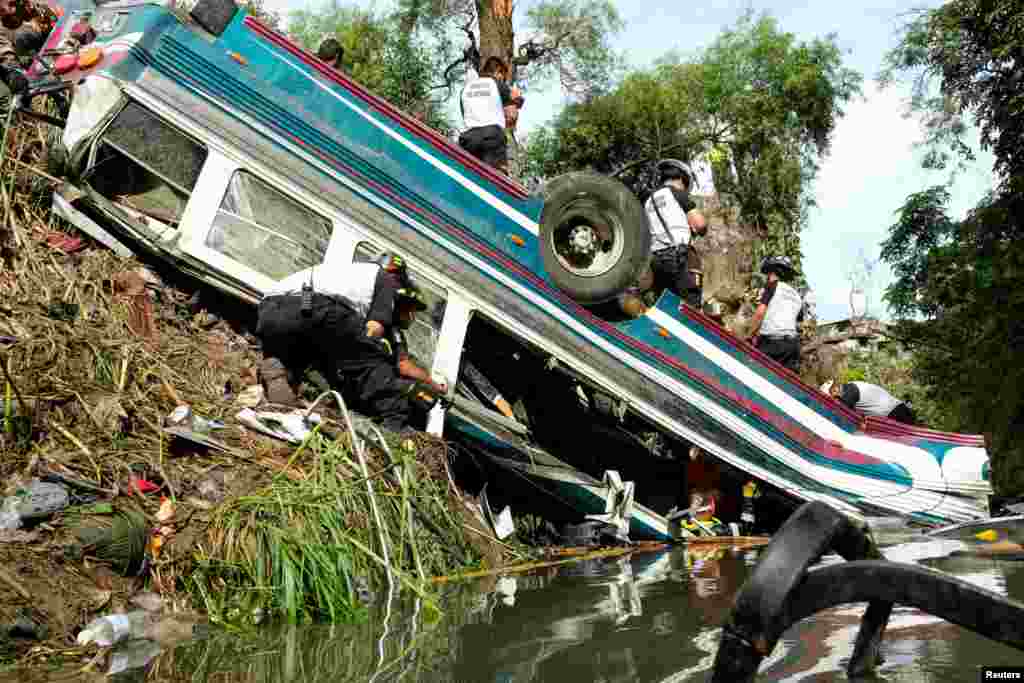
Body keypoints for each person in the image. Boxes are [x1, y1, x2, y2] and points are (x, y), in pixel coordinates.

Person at [256, 253, 446, 431]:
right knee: (371, 362)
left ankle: (278, 373)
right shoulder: (386, 279)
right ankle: (393, 428)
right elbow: (374, 329)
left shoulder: (345, 270)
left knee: (308, 351)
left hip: (269, 309)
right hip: (316, 307)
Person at [429, 301, 516, 420]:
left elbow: (483, 384)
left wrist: (507, 411)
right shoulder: (444, 343)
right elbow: (481, 383)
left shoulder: (460, 354)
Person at [643, 159, 709, 309]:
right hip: (680, 258)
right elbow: (700, 224)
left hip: (656, 261)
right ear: (682, 178)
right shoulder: (677, 194)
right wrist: (700, 231)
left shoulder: (648, 201)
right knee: (690, 305)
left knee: (667, 307)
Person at [746, 256, 804, 372]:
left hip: (772, 344)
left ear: (772, 273)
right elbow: (798, 322)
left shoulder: (772, 286)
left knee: (752, 371)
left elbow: (760, 313)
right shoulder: (797, 296)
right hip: (793, 347)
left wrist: (749, 335)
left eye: (768, 273)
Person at [459, 56, 513, 172]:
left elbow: (465, 115)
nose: (503, 80)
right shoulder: (498, 85)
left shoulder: (465, 89)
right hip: (492, 138)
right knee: (495, 181)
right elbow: (512, 115)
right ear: (498, 71)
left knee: (471, 178)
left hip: (468, 140)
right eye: (503, 76)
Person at [822, 379, 918, 425]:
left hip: (895, 413)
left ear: (834, 391)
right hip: (897, 409)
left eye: (831, 397)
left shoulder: (849, 392)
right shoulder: (851, 385)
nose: (834, 400)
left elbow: (844, 415)